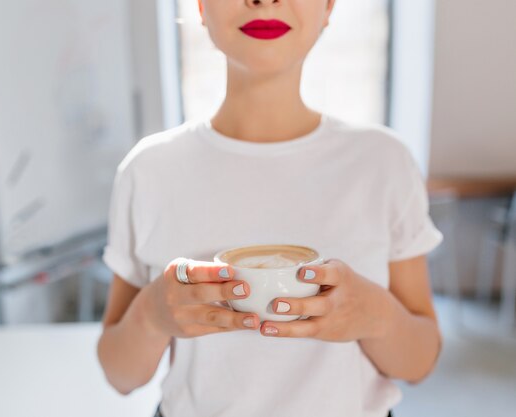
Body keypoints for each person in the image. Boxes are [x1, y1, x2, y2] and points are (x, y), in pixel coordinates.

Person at [97, 1, 444, 416]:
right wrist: (152, 315)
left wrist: (378, 316)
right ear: (202, 7)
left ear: (329, 7)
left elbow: (420, 363)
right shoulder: (148, 170)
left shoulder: (384, 162)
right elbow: (120, 375)